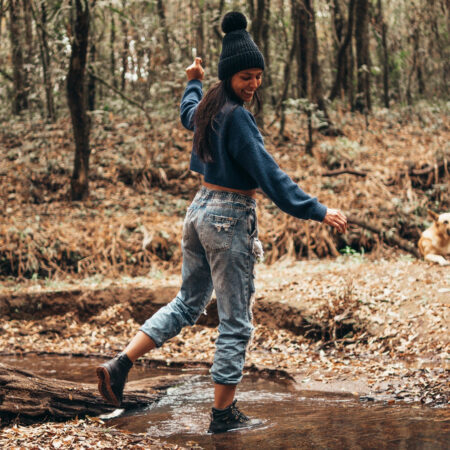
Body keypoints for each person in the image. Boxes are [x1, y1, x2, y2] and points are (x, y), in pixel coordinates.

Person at [96, 11, 347, 434]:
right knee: (236, 321)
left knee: (187, 303)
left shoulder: (211, 104)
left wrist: (193, 78)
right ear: (230, 75)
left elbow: (186, 110)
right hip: (229, 218)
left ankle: (121, 363)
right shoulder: (238, 118)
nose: (254, 84)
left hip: (198, 212)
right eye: (246, 77)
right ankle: (222, 415)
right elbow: (269, 174)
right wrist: (317, 209)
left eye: (258, 76)